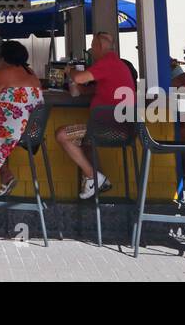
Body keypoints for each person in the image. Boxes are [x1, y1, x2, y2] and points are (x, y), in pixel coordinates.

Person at [55, 31, 136, 199]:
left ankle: (94, 177)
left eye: (92, 46)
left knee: (62, 135)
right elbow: (82, 90)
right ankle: (95, 179)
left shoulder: (108, 62)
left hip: (108, 129)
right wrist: (75, 83)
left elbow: (80, 78)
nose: (91, 51)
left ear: (100, 47)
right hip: (117, 127)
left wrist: (70, 71)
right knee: (84, 143)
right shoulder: (116, 64)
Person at [0, 40, 46, 197]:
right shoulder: (32, 73)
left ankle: (1, 178)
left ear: (4, 58)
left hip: (12, 131)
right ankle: (5, 175)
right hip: (31, 132)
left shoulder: (4, 74)